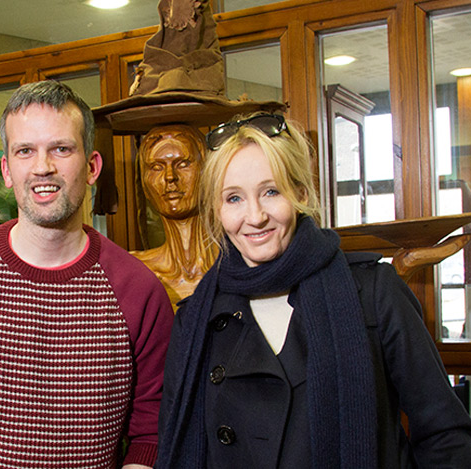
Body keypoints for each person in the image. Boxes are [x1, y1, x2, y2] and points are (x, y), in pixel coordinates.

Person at [156, 112, 471, 468]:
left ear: (301, 193)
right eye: (234, 198)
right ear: (216, 208)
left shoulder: (373, 293)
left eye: (271, 191)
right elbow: (174, 443)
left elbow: (445, 436)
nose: (255, 216)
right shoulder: (197, 319)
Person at [0, 80, 174, 469]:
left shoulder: (139, 292)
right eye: (26, 151)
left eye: (61, 148)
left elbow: (150, 433)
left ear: (92, 166)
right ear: (6, 170)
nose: (43, 167)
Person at [131, 124, 216, 307]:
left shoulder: (238, 261)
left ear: (207, 173)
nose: (170, 177)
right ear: (145, 185)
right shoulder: (132, 270)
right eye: (156, 167)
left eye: (183, 164)